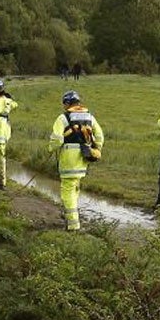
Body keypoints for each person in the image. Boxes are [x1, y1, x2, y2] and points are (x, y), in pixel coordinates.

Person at [47, 90, 104, 230]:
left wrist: (51, 149)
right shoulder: (90, 116)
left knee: (67, 190)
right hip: (83, 158)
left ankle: (72, 224)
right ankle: (71, 217)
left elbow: (57, 138)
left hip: (68, 159)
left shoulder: (63, 118)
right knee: (75, 187)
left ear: (67, 103)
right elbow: (100, 136)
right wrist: (96, 149)